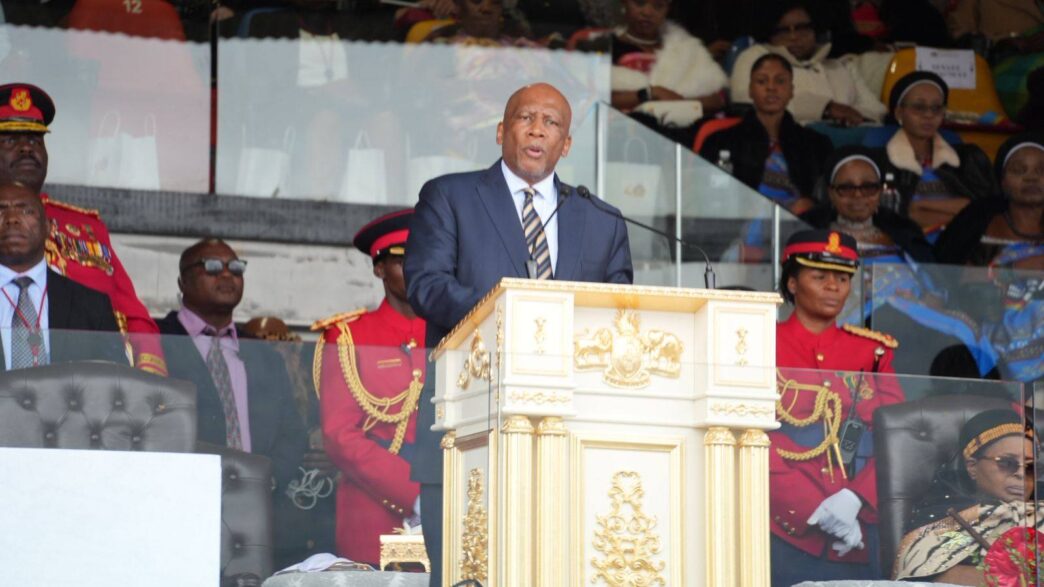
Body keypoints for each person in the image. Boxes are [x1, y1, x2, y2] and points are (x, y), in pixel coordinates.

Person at [404, 82, 633, 586]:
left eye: (551, 122)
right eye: (525, 117)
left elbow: (618, 317)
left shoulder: (602, 219)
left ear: (566, 144)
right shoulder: (450, 196)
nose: (537, 128)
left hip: (573, 430)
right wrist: (516, 313)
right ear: (501, 131)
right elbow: (427, 285)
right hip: (466, 423)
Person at [155, 238, 310, 569]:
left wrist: (265, 479)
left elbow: (293, 432)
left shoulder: (263, 354)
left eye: (235, 268)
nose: (226, 275)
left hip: (259, 507)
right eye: (211, 266)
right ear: (182, 281)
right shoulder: (156, 340)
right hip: (180, 503)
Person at [0, 83, 167, 376]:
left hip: (77, 400)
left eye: (35, 140)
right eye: (11, 140)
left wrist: (146, 385)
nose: (27, 148)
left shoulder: (86, 229)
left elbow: (134, 317)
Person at [772, 229, 905, 585]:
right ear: (793, 282)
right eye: (819, 276)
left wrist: (857, 498)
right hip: (785, 526)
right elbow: (752, 438)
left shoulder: (872, 352)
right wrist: (809, 507)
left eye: (843, 279)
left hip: (860, 526)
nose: (834, 287)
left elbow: (898, 440)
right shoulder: (761, 342)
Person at [313, 209, 426, 566]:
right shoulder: (349, 337)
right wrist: (416, 494)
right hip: (375, 513)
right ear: (379, 268)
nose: (415, 267)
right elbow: (339, 436)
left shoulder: (457, 331)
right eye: (402, 259)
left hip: (449, 508)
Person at [933, 133, 1043, 383]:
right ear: (1002, 180)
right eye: (1019, 170)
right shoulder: (977, 221)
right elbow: (950, 280)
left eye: (1041, 170)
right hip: (986, 324)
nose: (1032, 177)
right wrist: (1014, 270)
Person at [893, 409, 1037, 584]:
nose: (1022, 474)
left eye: (1030, 467)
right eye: (1007, 463)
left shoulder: (1039, 512)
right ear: (972, 467)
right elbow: (929, 577)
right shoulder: (951, 520)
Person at [0, 180, 126, 369]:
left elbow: (116, 386)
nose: (12, 219)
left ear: (48, 228)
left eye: (26, 211)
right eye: (1, 211)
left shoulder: (92, 306)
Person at [700, 53, 833, 214]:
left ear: (791, 90)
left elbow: (830, 199)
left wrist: (810, 206)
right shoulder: (720, 141)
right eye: (762, 81)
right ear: (750, 90)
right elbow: (708, 199)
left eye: (780, 81)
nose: (771, 87)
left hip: (801, 229)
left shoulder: (817, 144)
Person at [730, 0, 887, 127]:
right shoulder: (755, 57)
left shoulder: (840, 66)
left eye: (802, 28)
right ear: (770, 33)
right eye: (784, 30)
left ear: (815, 30)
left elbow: (877, 110)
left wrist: (851, 117)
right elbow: (746, 99)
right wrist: (826, 108)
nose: (793, 37)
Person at [880, 72, 996, 239]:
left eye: (936, 108)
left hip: (964, 243)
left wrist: (920, 205)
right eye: (919, 107)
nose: (929, 115)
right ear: (899, 113)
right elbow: (894, 216)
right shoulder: (880, 160)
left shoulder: (968, 157)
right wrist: (960, 209)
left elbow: (987, 211)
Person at [599, 0, 727, 145]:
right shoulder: (605, 48)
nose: (647, 12)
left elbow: (717, 99)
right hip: (622, 140)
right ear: (624, 3)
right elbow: (595, 99)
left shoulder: (686, 48)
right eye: (639, 3)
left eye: (658, 6)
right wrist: (651, 93)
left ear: (668, 9)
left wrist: (678, 103)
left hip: (683, 142)